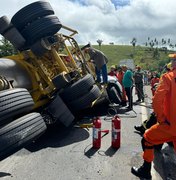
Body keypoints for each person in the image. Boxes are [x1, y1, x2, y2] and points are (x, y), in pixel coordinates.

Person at [131, 54, 176, 179]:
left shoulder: (168, 77)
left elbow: (157, 100)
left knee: (147, 138)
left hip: (170, 125)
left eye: (173, 60)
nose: (171, 62)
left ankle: (145, 171)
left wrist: (161, 119)